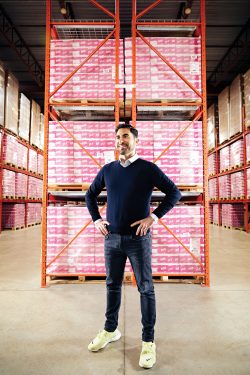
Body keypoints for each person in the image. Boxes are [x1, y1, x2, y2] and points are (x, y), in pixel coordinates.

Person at [85, 123, 181, 369]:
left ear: (135, 140)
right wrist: (97, 219)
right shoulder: (108, 170)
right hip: (112, 238)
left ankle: (148, 341)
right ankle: (110, 330)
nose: (120, 141)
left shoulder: (148, 169)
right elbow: (90, 194)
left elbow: (174, 192)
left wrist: (153, 217)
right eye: (118, 137)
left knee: (146, 288)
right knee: (112, 285)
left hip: (139, 240)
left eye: (125, 136)